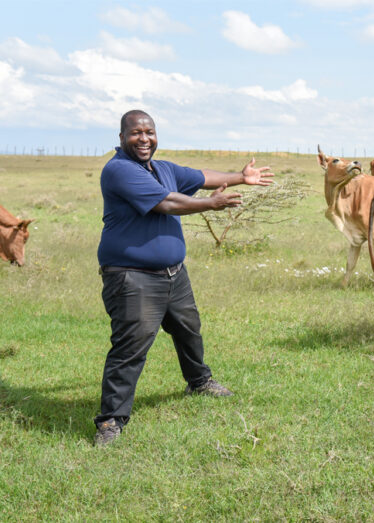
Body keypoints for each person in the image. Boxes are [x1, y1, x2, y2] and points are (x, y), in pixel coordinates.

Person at [94, 110, 274, 446]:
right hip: (133, 278)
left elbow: (200, 175)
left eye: (149, 132)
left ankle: (198, 381)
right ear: (121, 137)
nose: (144, 139)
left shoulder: (162, 168)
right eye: (135, 133)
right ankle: (110, 420)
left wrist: (240, 176)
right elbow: (167, 202)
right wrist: (210, 203)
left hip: (174, 274)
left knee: (188, 328)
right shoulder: (119, 170)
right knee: (131, 346)